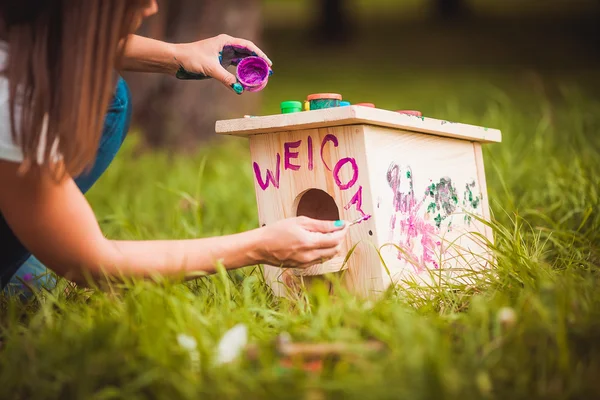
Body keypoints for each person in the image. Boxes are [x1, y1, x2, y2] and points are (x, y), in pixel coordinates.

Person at [0, 0, 348, 295]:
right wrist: (258, 247)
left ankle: (32, 233)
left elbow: (62, 36)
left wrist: (178, 54)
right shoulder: (10, 105)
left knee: (111, 97)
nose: (151, 6)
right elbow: (93, 264)